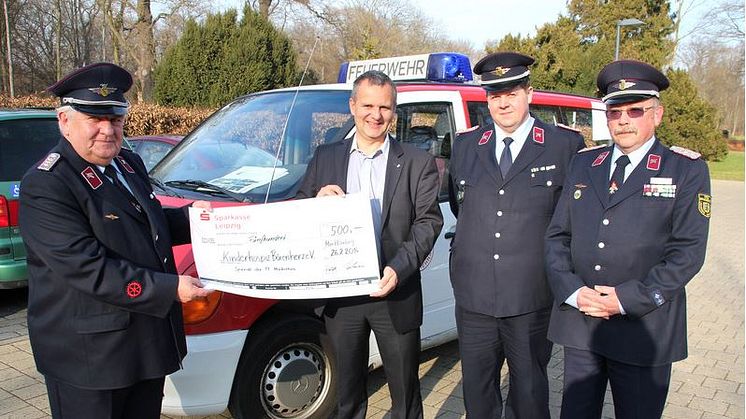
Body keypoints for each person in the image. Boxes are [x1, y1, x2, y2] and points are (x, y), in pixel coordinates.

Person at [19, 62, 212, 419]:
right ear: (64, 121)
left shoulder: (127, 163)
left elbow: (145, 224)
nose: (108, 130)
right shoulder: (48, 184)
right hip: (90, 359)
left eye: (116, 119)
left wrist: (197, 219)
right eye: (95, 119)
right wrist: (170, 288)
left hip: (142, 345)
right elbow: (87, 267)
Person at [545, 60, 711, 419]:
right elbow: (557, 237)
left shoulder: (684, 169)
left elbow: (688, 253)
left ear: (657, 114)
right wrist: (573, 291)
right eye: (614, 111)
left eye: (635, 110)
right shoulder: (584, 163)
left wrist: (623, 299)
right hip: (582, 323)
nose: (623, 120)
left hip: (642, 328)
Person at [296, 70, 443, 419]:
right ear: (352, 106)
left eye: (385, 107)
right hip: (342, 296)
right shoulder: (325, 156)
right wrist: (315, 199)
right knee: (347, 396)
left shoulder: (417, 163)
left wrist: (399, 268)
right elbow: (300, 208)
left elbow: (428, 222)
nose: (375, 115)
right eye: (367, 105)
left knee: (405, 395)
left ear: (395, 111)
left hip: (394, 289)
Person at [447, 51, 584, 418]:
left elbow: (571, 221)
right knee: (478, 392)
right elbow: (464, 209)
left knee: (529, 391)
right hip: (474, 297)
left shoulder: (563, 146)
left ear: (529, 93)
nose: (503, 102)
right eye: (495, 94)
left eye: (511, 92)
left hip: (531, 296)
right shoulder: (464, 145)